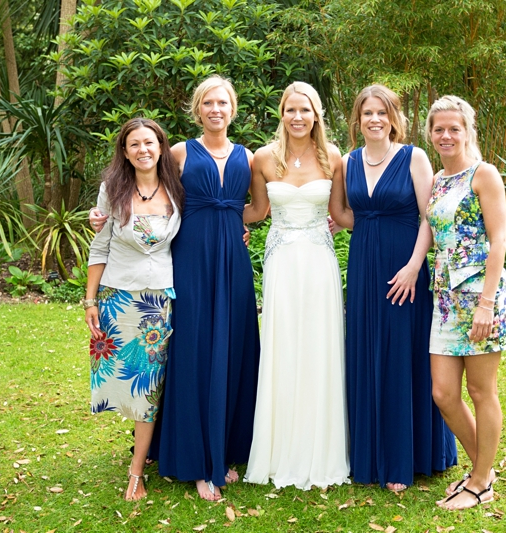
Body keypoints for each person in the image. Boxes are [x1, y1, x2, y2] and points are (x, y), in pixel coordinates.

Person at [89, 76, 260, 501]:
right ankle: (196, 458)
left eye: (223, 102)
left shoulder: (249, 156)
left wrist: (237, 223)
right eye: (208, 103)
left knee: (234, 348)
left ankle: (224, 448)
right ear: (197, 109)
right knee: (193, 352)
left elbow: (260, 205)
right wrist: (102, 216)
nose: (215, 109)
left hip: (232, 263)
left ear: (233, 109)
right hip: (187, 263)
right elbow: (145, 191)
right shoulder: (179, 152)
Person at [340, 85, 457, 492]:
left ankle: (406, 457)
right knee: (367, 350)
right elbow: (342, 212)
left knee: (400, 354)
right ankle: (371, 455)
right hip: (363, 269)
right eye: (367, 113)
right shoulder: (347, 161)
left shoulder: (413, 157)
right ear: (358, 119)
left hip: (405, 269)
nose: (375, 119)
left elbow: (430, 217)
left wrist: (412, 267)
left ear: (394, 118)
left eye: (382, 113)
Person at [242, 82, 350, 490]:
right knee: (282, 345)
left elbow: (340, 212)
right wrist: (224, 219)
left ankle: (322, 448)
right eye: (290, 110)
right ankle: (278, 447)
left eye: (305, 110)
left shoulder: (333, 158)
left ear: (316, 114)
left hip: (320, 262)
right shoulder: (264, 159)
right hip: (282, 263)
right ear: (281, 113)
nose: (298, 117)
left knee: (320, 346)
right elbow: (258, 210)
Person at [85, 118, 184, 501]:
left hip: (158, 300)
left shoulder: (177, 188)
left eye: (149, 142)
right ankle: (144, 452)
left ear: (161, 147)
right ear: (124, 152)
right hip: (117, 296)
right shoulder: (112, 189)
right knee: (125, 383)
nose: (143, 150)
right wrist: (90, 300)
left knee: (150, 388)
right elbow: (100, 247)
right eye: (134, 144)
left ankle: (137, 470)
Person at [426, 95, 506, 510]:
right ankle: (485, 467)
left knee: (481, 390)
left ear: (467, 131)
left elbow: (499, 241)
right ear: (430, 133)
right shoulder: (436, 181)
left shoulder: (485, 175)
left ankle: (480, 482)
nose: (446, 135)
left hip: (482, 297)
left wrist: (485, 304)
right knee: (444, 393)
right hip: (445, 300)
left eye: (454, 129)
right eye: (439, 129)